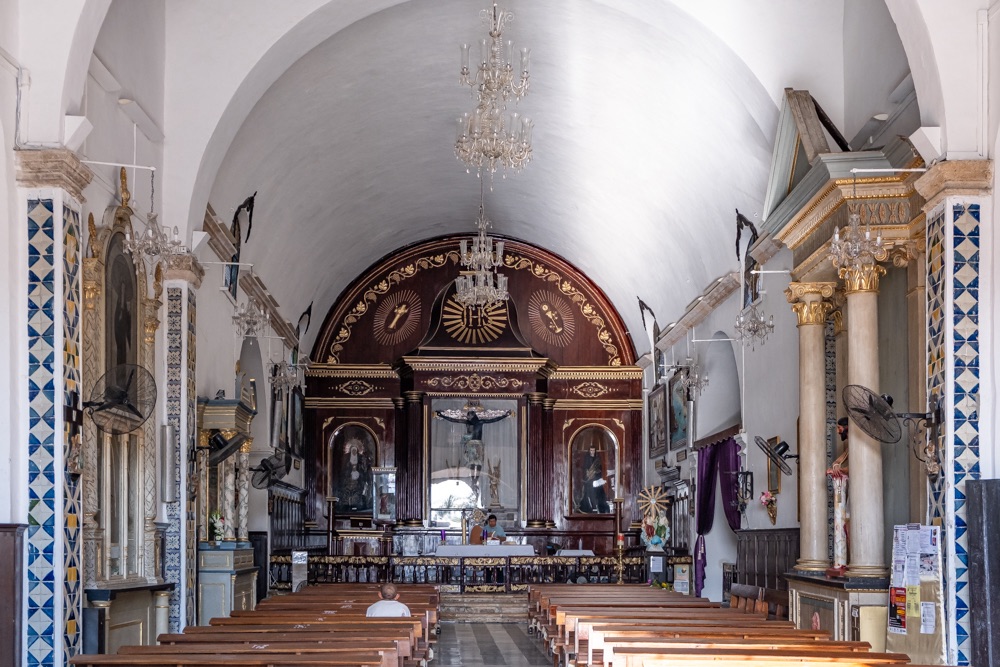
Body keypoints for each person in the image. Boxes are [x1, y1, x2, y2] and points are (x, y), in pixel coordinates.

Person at [580, 445, 610, 513]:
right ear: (589, 451)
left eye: (593, 450)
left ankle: (600, 508)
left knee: (599, 494)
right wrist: (588, 474)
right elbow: (585, 468)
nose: (592, 452)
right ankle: (591, 508)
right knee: (589, 494)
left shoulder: (597, 459)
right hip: (589, 481)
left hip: (597, 479)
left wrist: (596, 472)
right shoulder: (587, 458)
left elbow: (600, 469)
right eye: (591, 450)